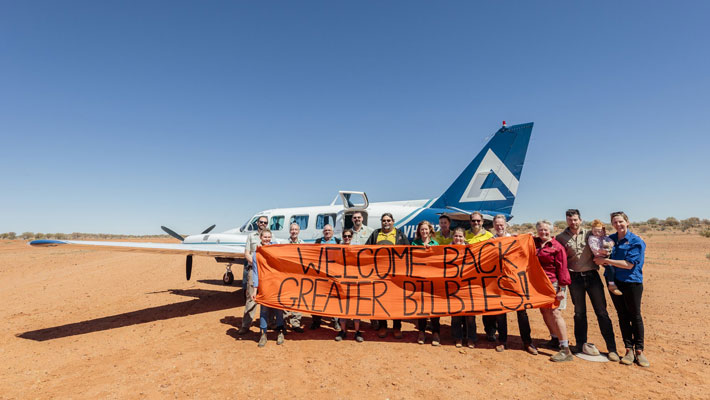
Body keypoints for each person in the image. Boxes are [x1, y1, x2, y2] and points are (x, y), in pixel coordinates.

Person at [556, 209, 619, 361]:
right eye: (570, 220)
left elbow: (607, 239)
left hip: (592, 276)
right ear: (567, 220)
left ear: (581, 220)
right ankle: (580, 344)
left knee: (602, 312)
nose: (573, 222)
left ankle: (612, 349)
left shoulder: (590, 233)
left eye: (576, 219)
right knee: (579, 313)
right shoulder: (560, 237)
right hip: (574, 278)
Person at [594, 211, 649, 367]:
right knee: (622, 315)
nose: (618, 225)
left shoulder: (636, 241)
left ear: (627, 222)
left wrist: (606, 260)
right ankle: (628, 349)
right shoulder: (610, 239)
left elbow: (629, 264)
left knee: (635, 315)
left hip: (632, 282)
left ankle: (639, 350)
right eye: (615, 222)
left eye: (620, 222)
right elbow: (595, 246)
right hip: (614, 282)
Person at [484, 215, 537, 355]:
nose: (499, 227)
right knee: (501, 313)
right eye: (496, 225)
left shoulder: (514, 239)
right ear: (493, 226)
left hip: (516, 280)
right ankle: (502, 341)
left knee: (522, 312)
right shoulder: (491, 241)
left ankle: (527, 341)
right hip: (499, 281)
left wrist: (528, 238)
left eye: (501, 224)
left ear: (506, 225)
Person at [365, 213, 410, 339]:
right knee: (380, 300)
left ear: (393, 221)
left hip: (396, 275)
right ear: (381, 222)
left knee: (396, 302)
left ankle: (396, 327)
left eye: (388, 220)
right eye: (384, 220)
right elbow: (365, 250)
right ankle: (383, 326)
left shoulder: (400, 235)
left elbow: (409, 252)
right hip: (379, 274)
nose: (386, 222)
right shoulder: (375, 234)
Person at [534, 220, 573, 362]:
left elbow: (562, 268)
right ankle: (554, 339)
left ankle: (565, 349)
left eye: (546, 230)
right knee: (544, 310)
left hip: (554, 284)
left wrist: (562, 289)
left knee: (556, 313)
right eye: (540, 230)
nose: (543, 232)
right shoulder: (535, 243)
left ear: (551, 230)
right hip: (540, 284)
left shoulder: (557, 247)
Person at [250, 229, 286, 347]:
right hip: (264, 286)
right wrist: (255, 289)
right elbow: (255, 272)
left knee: (278, 310)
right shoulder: (256, 253)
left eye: (268, 237)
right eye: (265, 237)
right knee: (264, 311)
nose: (267, 239)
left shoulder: (275, 251)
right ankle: (263, 334)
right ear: (260, 238)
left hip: (276, 285)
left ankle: (280, 332)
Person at [238, 215, 269, 335]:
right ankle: (245, 325)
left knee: (267, 296)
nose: (263, 224)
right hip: (253, 270)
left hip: (266, 272)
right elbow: (247, 253)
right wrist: (256, 264)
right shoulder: (251, 236)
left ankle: (270, 322)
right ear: (257, 223)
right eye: (261, 222)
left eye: (265, 222)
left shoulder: (271, 236)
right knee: (251, 298)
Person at [411, 221, 441, 346]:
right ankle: (422, 332)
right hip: (419, 280)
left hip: (433, 280)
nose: (424, 232)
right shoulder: (414, 244)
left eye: (426, 229)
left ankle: (436, 333)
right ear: (419, 231)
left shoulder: (436, 244)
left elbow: (439, 261)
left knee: (434, 307)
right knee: (421, 307)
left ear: (430, 230)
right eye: (422, 229)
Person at [449, 227, 478, 348]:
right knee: (456, 315)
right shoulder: (446, 249)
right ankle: (458, 338)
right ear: (453, 237)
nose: (458, 238)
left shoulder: (472, 249)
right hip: (453, 286)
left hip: (468, 285)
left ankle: (471, 338)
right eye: (456, 236)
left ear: (464, 238)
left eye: (460, 236)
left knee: (470, 315)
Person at [334, 229, 365, 343]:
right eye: (345, 236)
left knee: (355, 309)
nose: (347, 238)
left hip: (354, 282)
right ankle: (343, 331)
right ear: (342, 236)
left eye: (349, 236)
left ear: (352, 237)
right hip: (342, 283)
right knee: (343, 309)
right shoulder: (338, 249)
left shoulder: (357, 249)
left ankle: (357, 332)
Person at [310, 224, 341, 331]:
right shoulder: (318, 241)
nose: (327, 232)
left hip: (334, 275)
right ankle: (316, 321)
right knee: (318, 298)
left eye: (329, 230)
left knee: (334, 299)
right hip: (321, 275)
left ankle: (335, 321)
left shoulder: (338, 241)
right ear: (323, 232)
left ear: (332, 232)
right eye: (325, 230)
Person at [588, 219, 622, 295]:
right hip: (599, 256)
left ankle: (616, 282)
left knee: (616, 265)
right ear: (592, 230)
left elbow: (611, 241)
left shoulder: (605, 237)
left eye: (599, 231)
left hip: (607, 254)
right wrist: (601, 251)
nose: (597, 233)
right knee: (610, 267)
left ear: (603, 231)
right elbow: (593, 247)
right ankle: (611, 284)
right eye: (595, 231)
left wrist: (610, 244)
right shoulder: (592, 238)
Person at [283, 223, 305, 333]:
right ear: (289, 231)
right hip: (287, 275)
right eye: (292, 229)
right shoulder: (283, 244)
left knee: (298, 299)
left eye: (296, 229)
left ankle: (296, 323)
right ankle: (285, 322)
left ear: (299, 231)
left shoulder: (303, 244)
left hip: (298, 276)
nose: (294, 231)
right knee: (286, 299)